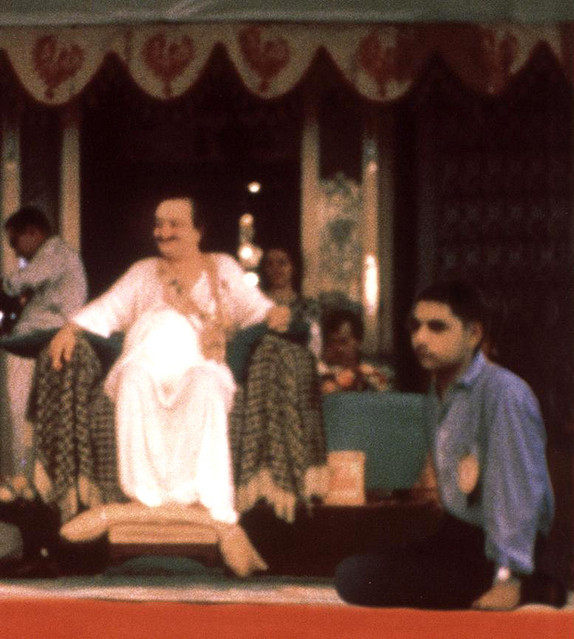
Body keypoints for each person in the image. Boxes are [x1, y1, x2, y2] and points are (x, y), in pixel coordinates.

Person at [48, 196, 290, 526]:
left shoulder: (222, 268)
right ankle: (145, 499)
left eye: (174, 224)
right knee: (131, 377)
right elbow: (108, 307)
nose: (163, 232)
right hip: (145, 363)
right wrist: (70, 329)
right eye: (159, 224)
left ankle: (198, 499)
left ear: (198, 230)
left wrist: (275, 314)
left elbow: (256, 308)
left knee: (206, 384)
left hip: (199, 365)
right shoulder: (143, 271)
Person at [335, 280, 561, 610]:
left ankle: (531, 582)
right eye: (416, 327)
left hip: (512, 543)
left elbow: (516, 494)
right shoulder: (437, 393)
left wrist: (507, 579)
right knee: (353, 576)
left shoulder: (504, 393)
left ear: (473, 334)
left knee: (396, 582)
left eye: (437, 327)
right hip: (461, 535)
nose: (420, 339)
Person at [1, 206, 87, 500]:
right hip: (40, 339)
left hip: (40, 341)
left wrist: (8, 284)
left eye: (15, 243)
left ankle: (23, 479)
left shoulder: (54, 252)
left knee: (21, 410)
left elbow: (17, 283)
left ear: (32, 232)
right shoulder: (57, 258)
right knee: (29, 413)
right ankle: (29, 479)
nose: (16, 252)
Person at [259, 246, 322, 358]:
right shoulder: (256, 304)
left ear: (293, 267)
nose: (276, 269)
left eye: (282, 263)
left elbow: (314, 342)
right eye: (269, 264)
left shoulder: (309, 306)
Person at [318, 308, 393, 394]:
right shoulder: (322, 373)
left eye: (343, 342)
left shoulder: (373, 371)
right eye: (332, 342)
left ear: (358, 341)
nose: (338, 348)